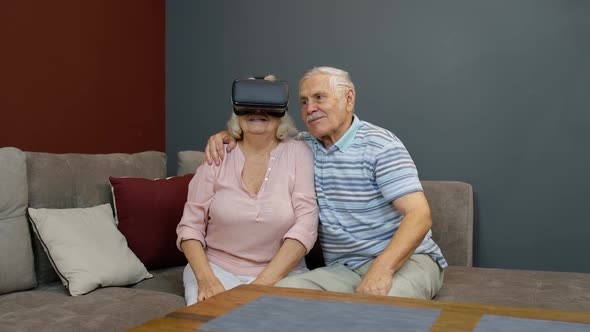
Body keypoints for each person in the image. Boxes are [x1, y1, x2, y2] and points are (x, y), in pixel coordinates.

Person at [204, 67, 447, 299]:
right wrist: (227, 136)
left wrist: (382, 270)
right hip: (343, 269)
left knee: (378, 310)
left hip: (407, 262)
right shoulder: (303, 147)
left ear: (348, 98)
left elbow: (419, 215)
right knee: (276, 296)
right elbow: (261, 136)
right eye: (304, 101)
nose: (310, 108)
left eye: (319, 97)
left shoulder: (380, 145)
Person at [176, 75, 318, 305]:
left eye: (269, 106)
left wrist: (259, 287)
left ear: (282, 112)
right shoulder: (218, 154)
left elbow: (306, 225)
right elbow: (190, 227)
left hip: (281, 274)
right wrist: (206, 279)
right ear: (236, 111)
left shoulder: (298, 153)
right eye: (249, 104)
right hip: (217, 270)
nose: (258, 111)